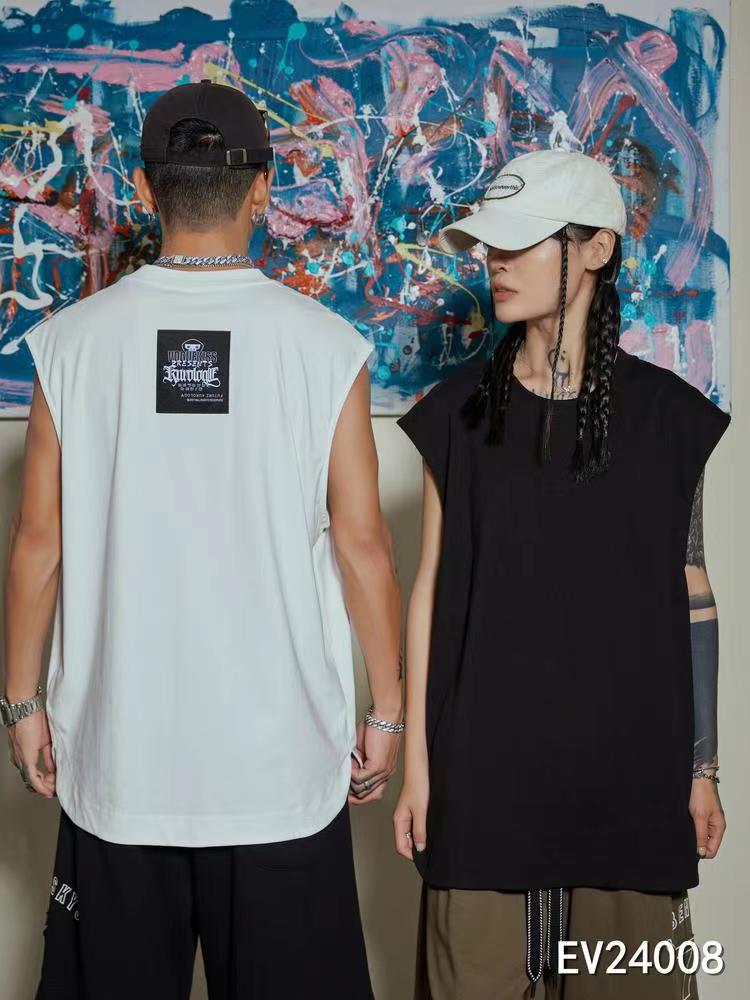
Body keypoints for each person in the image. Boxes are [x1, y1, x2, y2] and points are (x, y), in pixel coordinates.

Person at [2, 78, 404, 1000]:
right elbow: (364, 545)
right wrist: (386, 712)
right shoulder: (325, 345)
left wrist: (20, 704)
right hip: (280, 773)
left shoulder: (70, 343)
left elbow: (36, 546)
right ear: (261, 190)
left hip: (121, 764)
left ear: (145, 190)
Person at [393, 148, 730, 999]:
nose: (495, 261)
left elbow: (693, 589)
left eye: (521, 240)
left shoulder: (669, 419)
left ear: (597, 248)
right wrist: (418, 772)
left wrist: (702, 770)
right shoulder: (456, 415)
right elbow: (429, 590)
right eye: (491, 243)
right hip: (481, 781)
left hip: (630, 782)